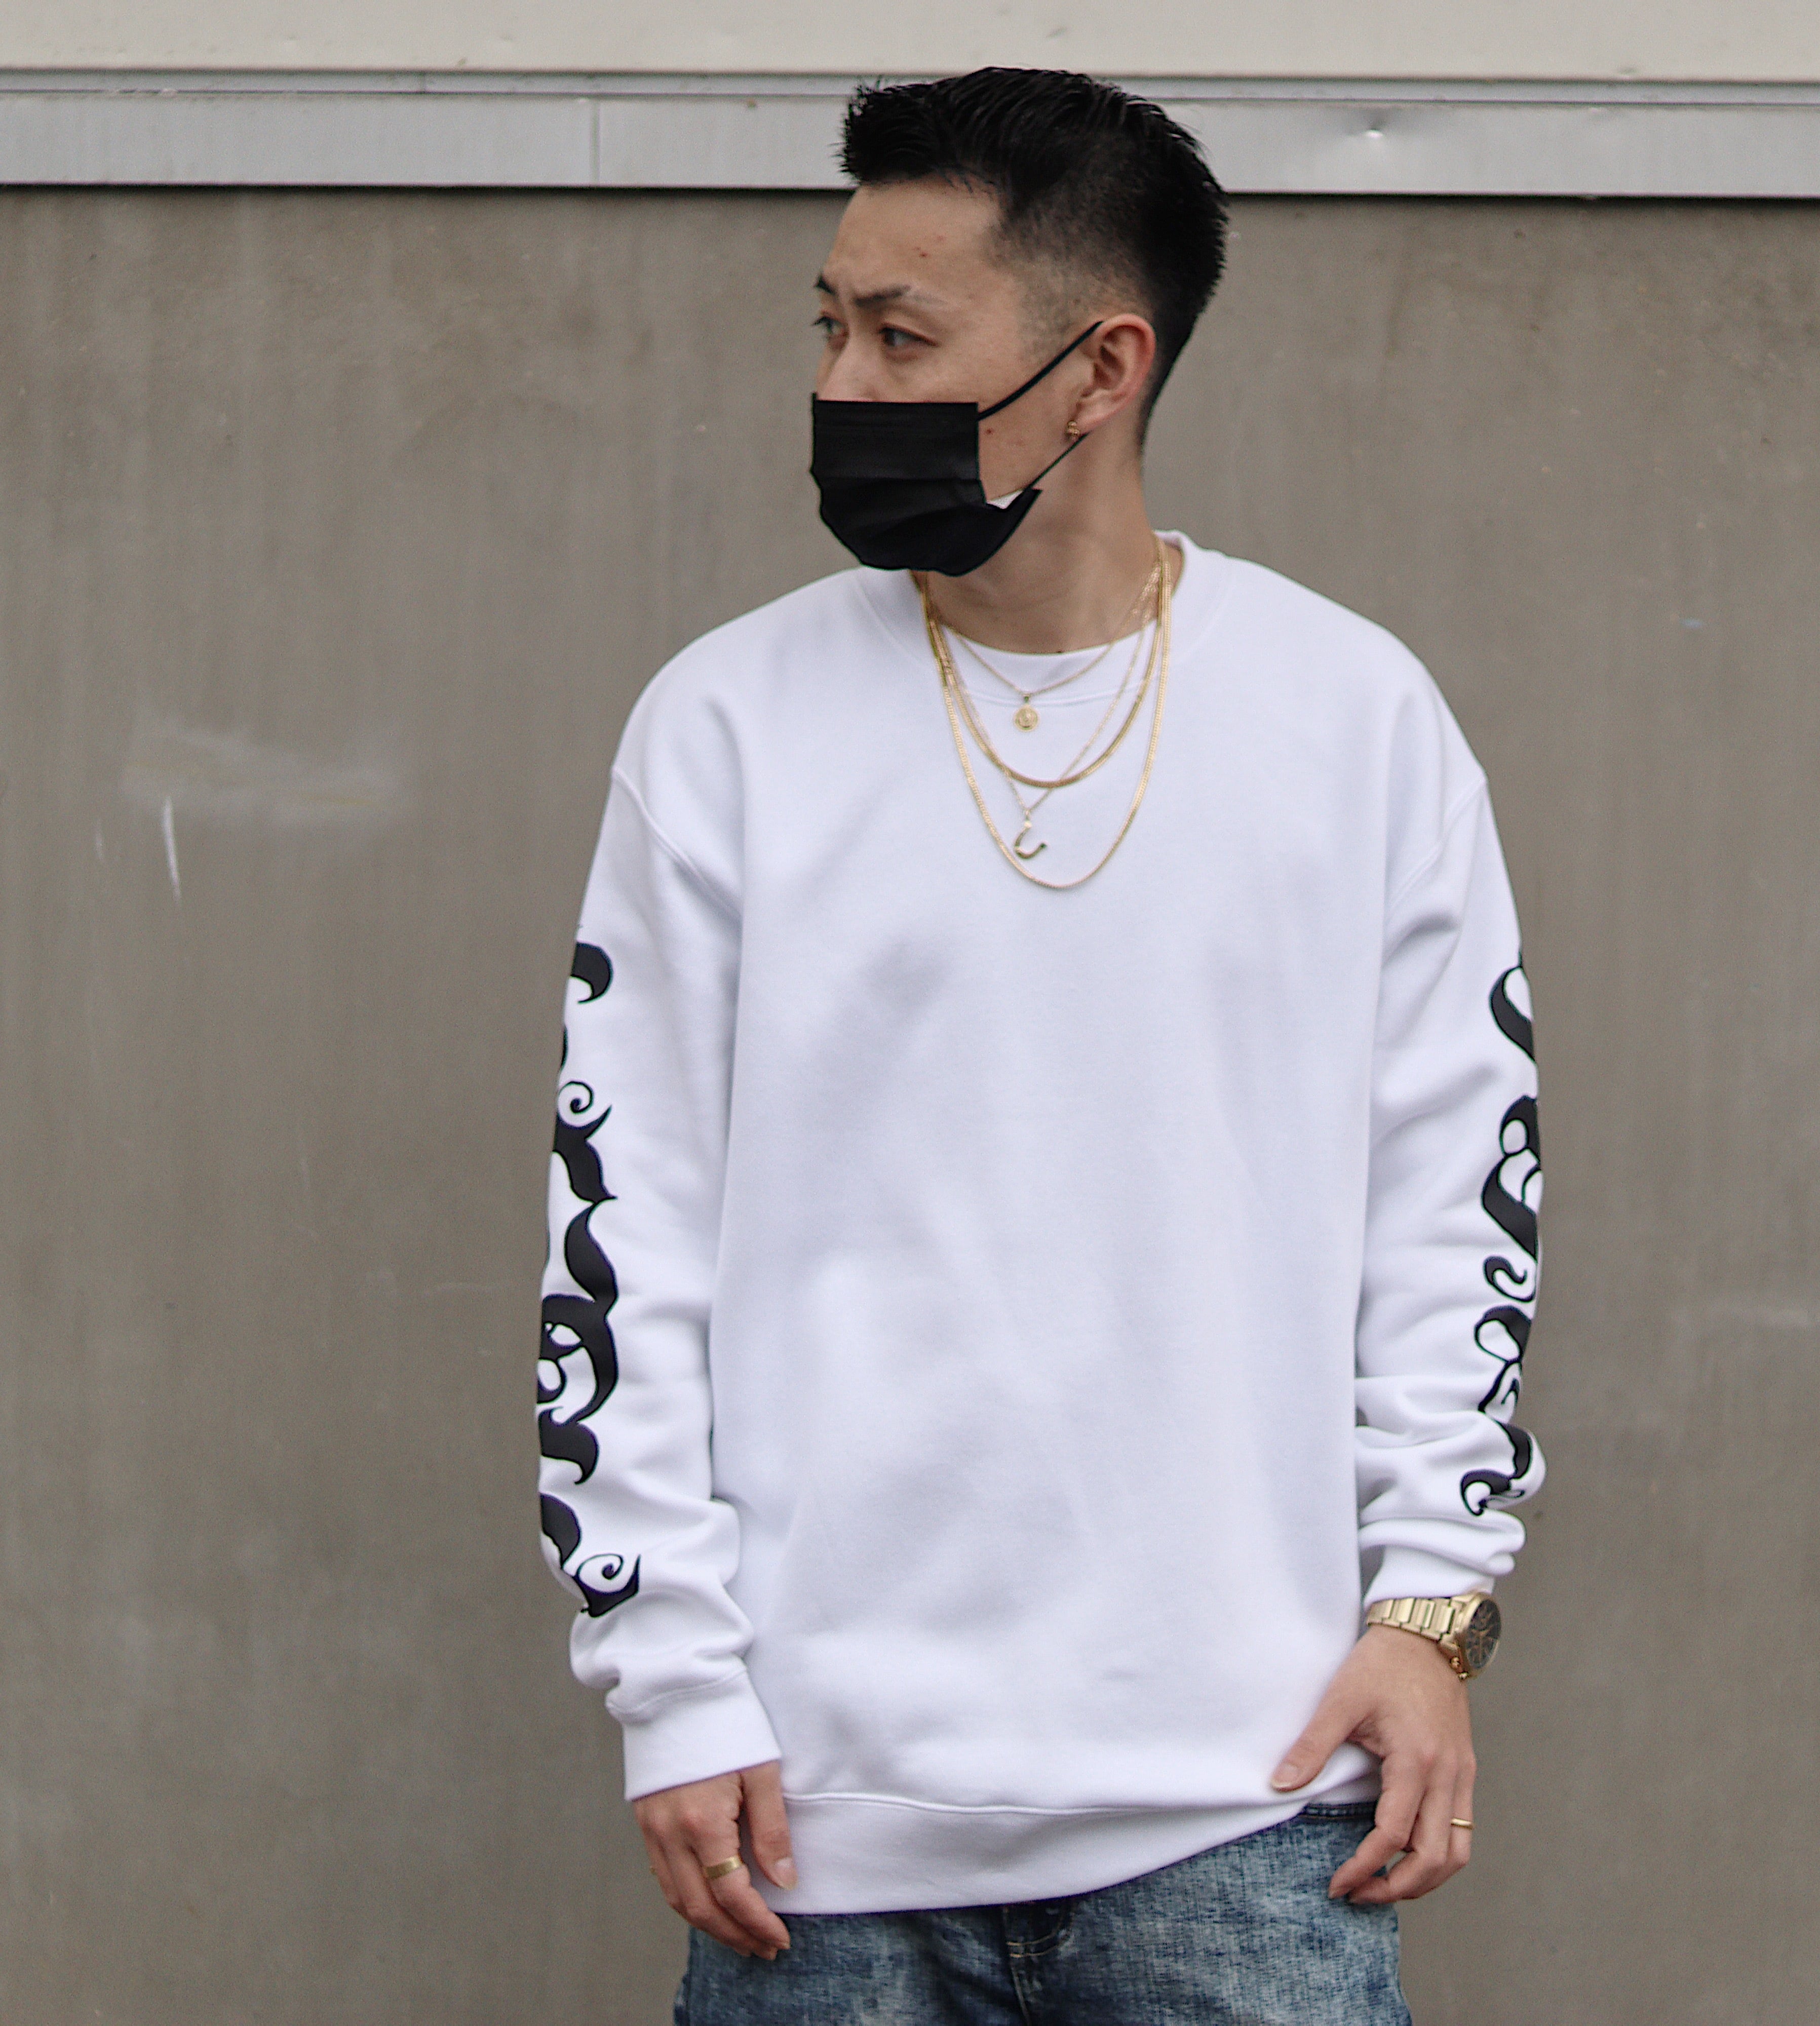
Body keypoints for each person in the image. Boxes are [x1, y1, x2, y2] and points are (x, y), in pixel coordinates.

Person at [537, 66, 1543, 2026]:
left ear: (1103, 369)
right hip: (815, 1837)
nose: (840, 381)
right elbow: (622, 1230)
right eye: (829, 326)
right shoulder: (725, 728)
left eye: (901, 338)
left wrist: (1430, 1613)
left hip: (1250, 1817)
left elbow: (1456, 1200)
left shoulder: (1352, 718)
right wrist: (671, 1679)